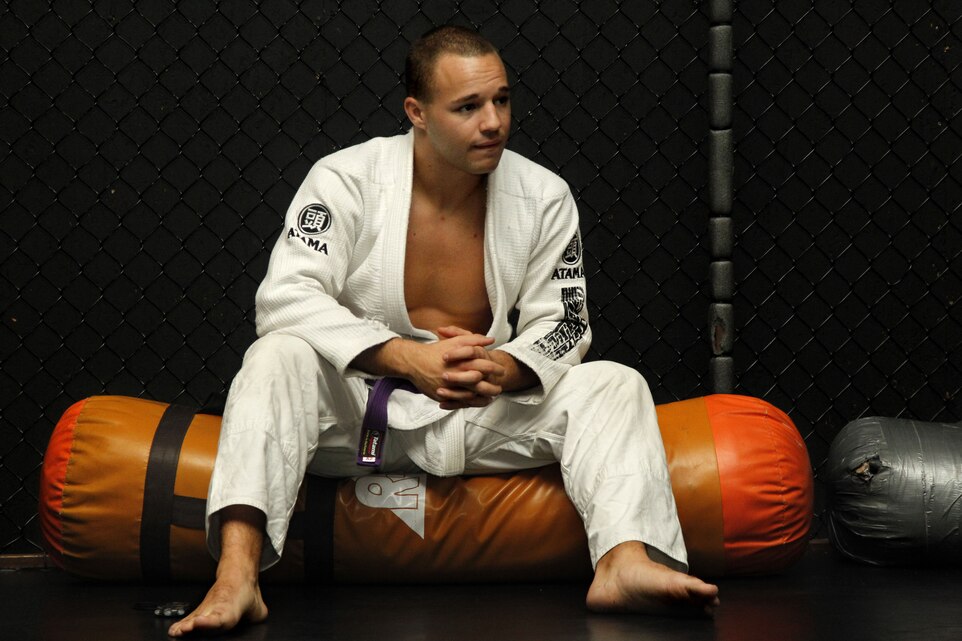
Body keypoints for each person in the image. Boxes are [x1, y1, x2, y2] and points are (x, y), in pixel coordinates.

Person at [168, 25, 719, 637]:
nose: (494, 123)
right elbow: (285, 297)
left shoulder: (544, 196)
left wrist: (501, 368)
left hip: (477, 410)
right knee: (275, 355)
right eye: (468, 107)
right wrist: (406, 358)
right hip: (359, 412)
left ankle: (623, 563)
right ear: (418, 113)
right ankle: (237, 578)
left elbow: (564, 323)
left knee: (614, 383)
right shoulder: (345, 180)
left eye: (502, 100)